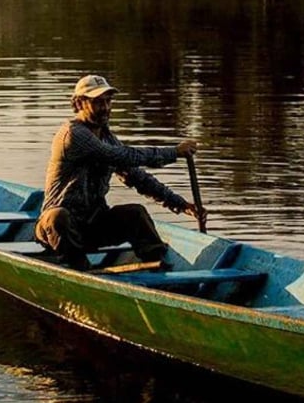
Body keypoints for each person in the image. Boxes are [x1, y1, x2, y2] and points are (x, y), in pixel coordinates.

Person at [35, 74, 205, 269]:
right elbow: (126, 156)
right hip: (58, 232)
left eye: (108, 101)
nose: (106, 108)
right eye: (98, 102)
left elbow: (138, 178)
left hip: (92, 226)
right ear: (80, 103)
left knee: (135, 213)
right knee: (58, 216)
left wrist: (182, 205)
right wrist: (174, 152)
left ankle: (160, 268)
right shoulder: (73, 135)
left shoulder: (106, 136)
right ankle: (80, 269)